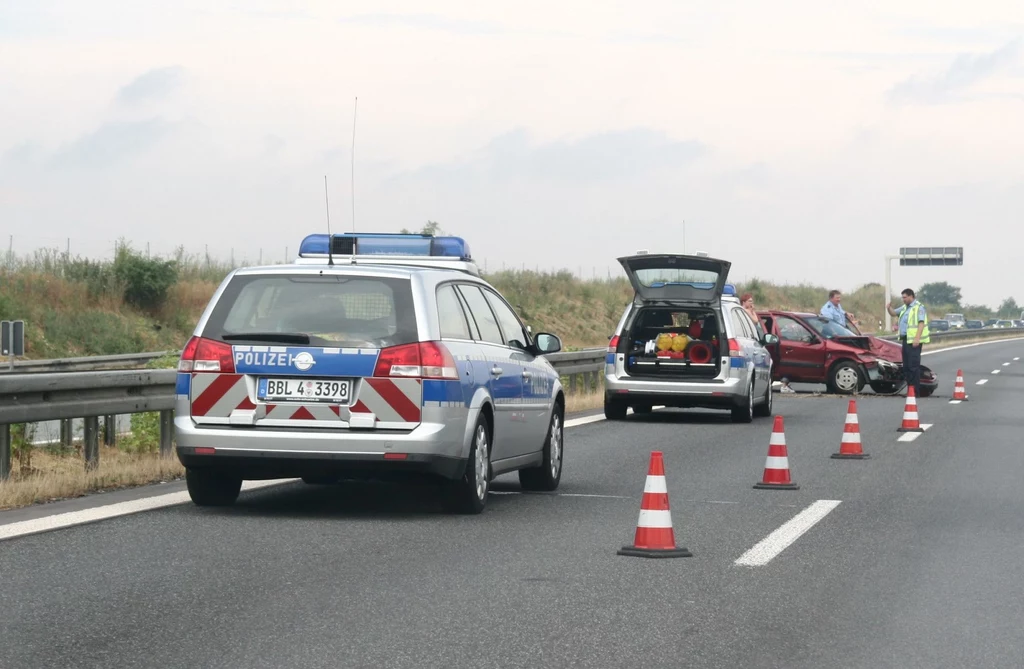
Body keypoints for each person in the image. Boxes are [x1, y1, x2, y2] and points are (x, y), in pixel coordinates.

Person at [886, 288, 929, 397]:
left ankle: (915, 392)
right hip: (906, 339)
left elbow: (921, 323)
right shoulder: (905, 308)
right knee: (906, 366)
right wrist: (888, 308)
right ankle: (910, 390)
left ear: (911, 296)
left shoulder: (919, 308)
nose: (903, 300)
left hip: (914, 341)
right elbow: (893, 313)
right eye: (902, 298)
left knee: (913, 366)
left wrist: (917, 338)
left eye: (905, 297)